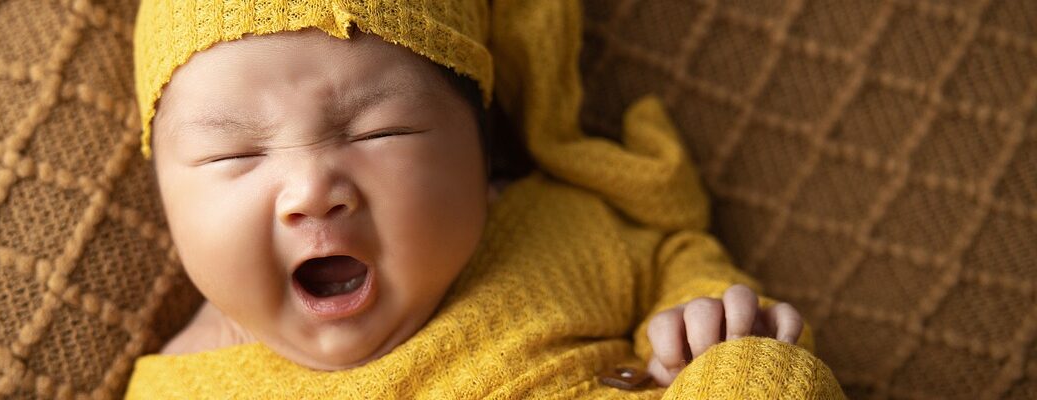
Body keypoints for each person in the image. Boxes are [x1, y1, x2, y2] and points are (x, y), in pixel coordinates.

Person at [126, 0, 843, 398]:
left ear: (480, 152)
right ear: (166, 196)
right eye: (236, 154)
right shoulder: (181, 390)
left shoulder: (559, 230)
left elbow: (672, 257)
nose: (311, 191)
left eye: (379, 130)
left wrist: (702, 328)